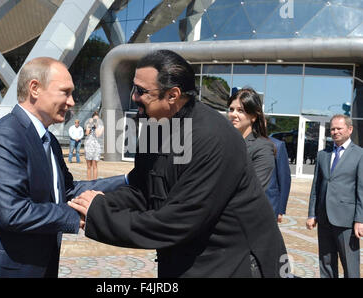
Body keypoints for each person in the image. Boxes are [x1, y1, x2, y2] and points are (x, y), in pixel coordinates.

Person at [68, 50, 288, 278]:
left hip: (233, 263)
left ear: (173, 95)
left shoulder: (213, 138)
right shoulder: (154, 124)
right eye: (134, 88)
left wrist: (100, 214)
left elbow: (177, 221)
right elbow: (144, 190)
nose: (133, 97)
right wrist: (92, 202)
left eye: (142, 91)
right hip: (186, 257)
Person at [0, 57, 126, 278]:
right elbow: (13, 211)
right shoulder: (6, 135)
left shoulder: (48, 140)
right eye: (65, 92)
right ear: (35, 88)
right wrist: (77, 216)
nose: (72, 101)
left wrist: (127, 182)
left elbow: (67, 191)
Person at [306, 114, 363, 278]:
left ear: (350, 129)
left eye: (339, 128)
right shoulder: (323, 154)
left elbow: (361, 189)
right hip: (324, 218)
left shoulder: (359, 154)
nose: (335, 131)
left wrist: (360, 220)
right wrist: (312, 213)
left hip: (346, 220)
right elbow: (316, 186)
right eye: (332, 129)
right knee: (326, 262)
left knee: (350, 264)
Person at [227, 88, 275, 191]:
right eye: (231, 109)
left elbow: (253, 190)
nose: (233, 114)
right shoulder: (224, 142)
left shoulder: (262, 148)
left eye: (240, 110)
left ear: (253, 116)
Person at [266, 136, 291, 222]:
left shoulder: (277, 145)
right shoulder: (240, 142)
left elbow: (284, 178)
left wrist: (280, 209)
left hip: (270, 204)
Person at [84, 111, 104, 180]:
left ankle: (94, 182)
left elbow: (98, 135)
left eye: (97, 119)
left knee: (95, 165)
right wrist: (89, 124)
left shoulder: (101, 126)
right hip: (89, 146)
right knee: (89, 165)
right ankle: (88, 181)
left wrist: (96, 126)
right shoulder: (89, 125)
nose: (95, 121)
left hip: (96, 147)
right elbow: (86, 133)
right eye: (94, 119)